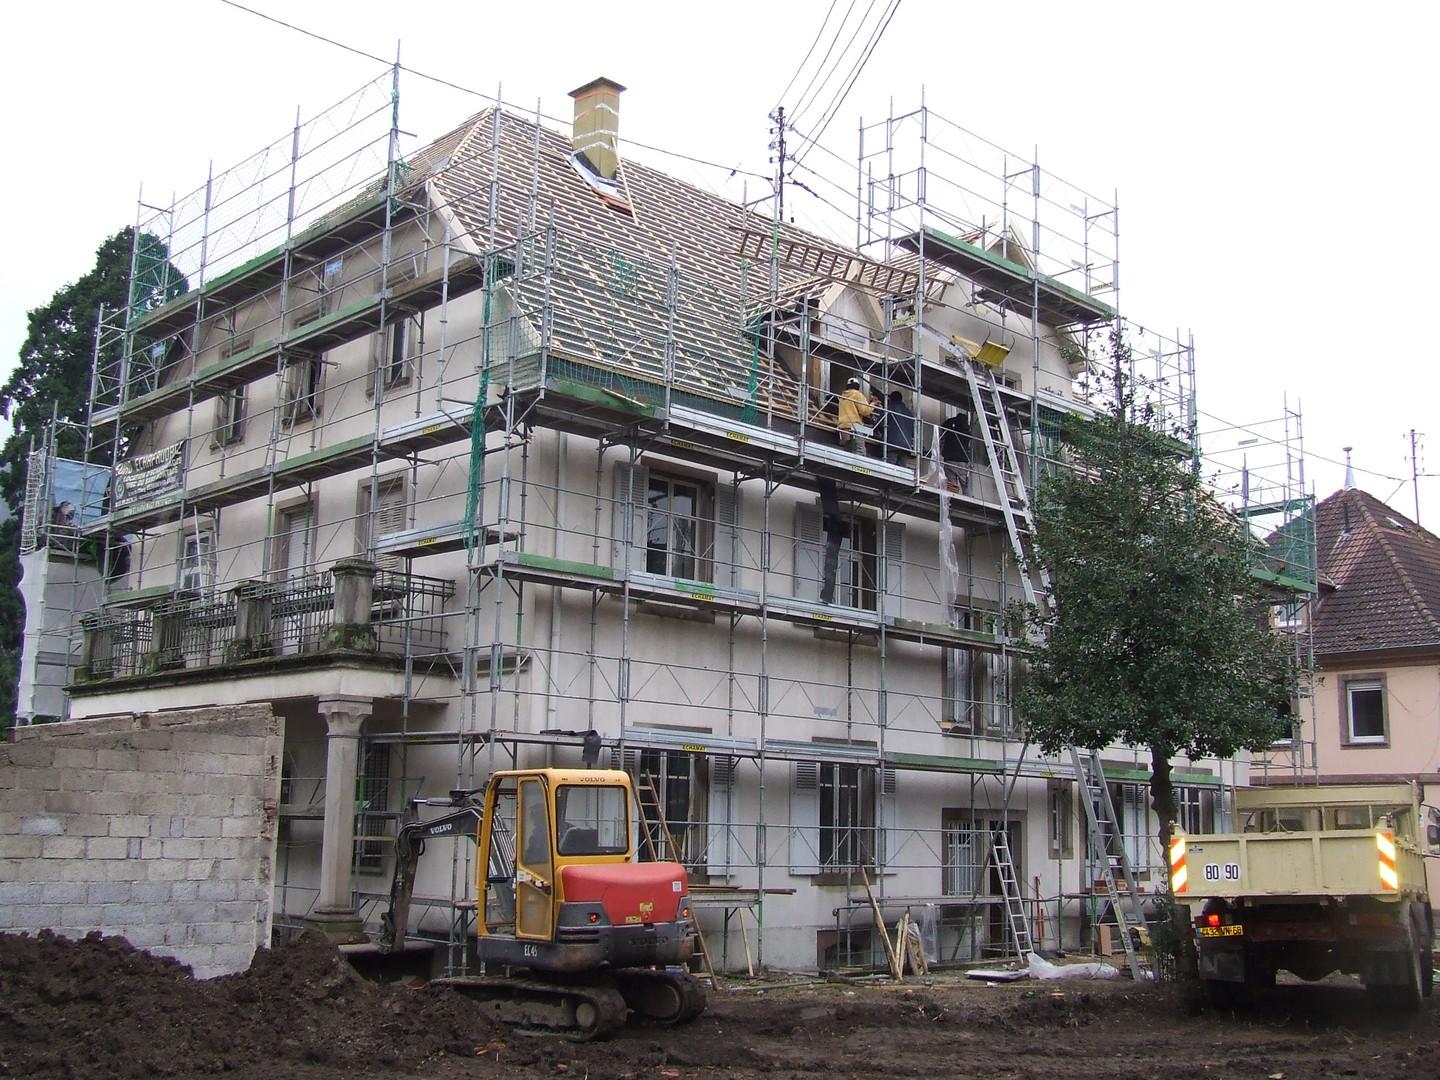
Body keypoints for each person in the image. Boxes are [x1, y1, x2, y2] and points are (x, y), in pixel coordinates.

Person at [836, 377, 875, 452]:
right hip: (855, 427)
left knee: (848, 452)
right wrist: (873, 404)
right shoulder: (857, 394)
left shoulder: (842, 396)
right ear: (858, 386)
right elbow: (865, 411)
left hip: (843, 427)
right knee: (860, 452)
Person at [939, 410, 972, 492]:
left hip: (950, 461)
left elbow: (945, 424)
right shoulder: (967, 434)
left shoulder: (950, 431)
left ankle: (953, 501)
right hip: (962, 463)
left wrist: (954, 419)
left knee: (952, 488)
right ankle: (967, 502)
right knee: (966, 488)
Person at [883, 390, 915, 465]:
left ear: (891, 399)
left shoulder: (890, 407)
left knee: (890, 468)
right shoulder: (909, 413)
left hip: (892, 444)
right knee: (902, 470)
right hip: (906, 446)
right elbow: (913, 432)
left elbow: (881, 423)